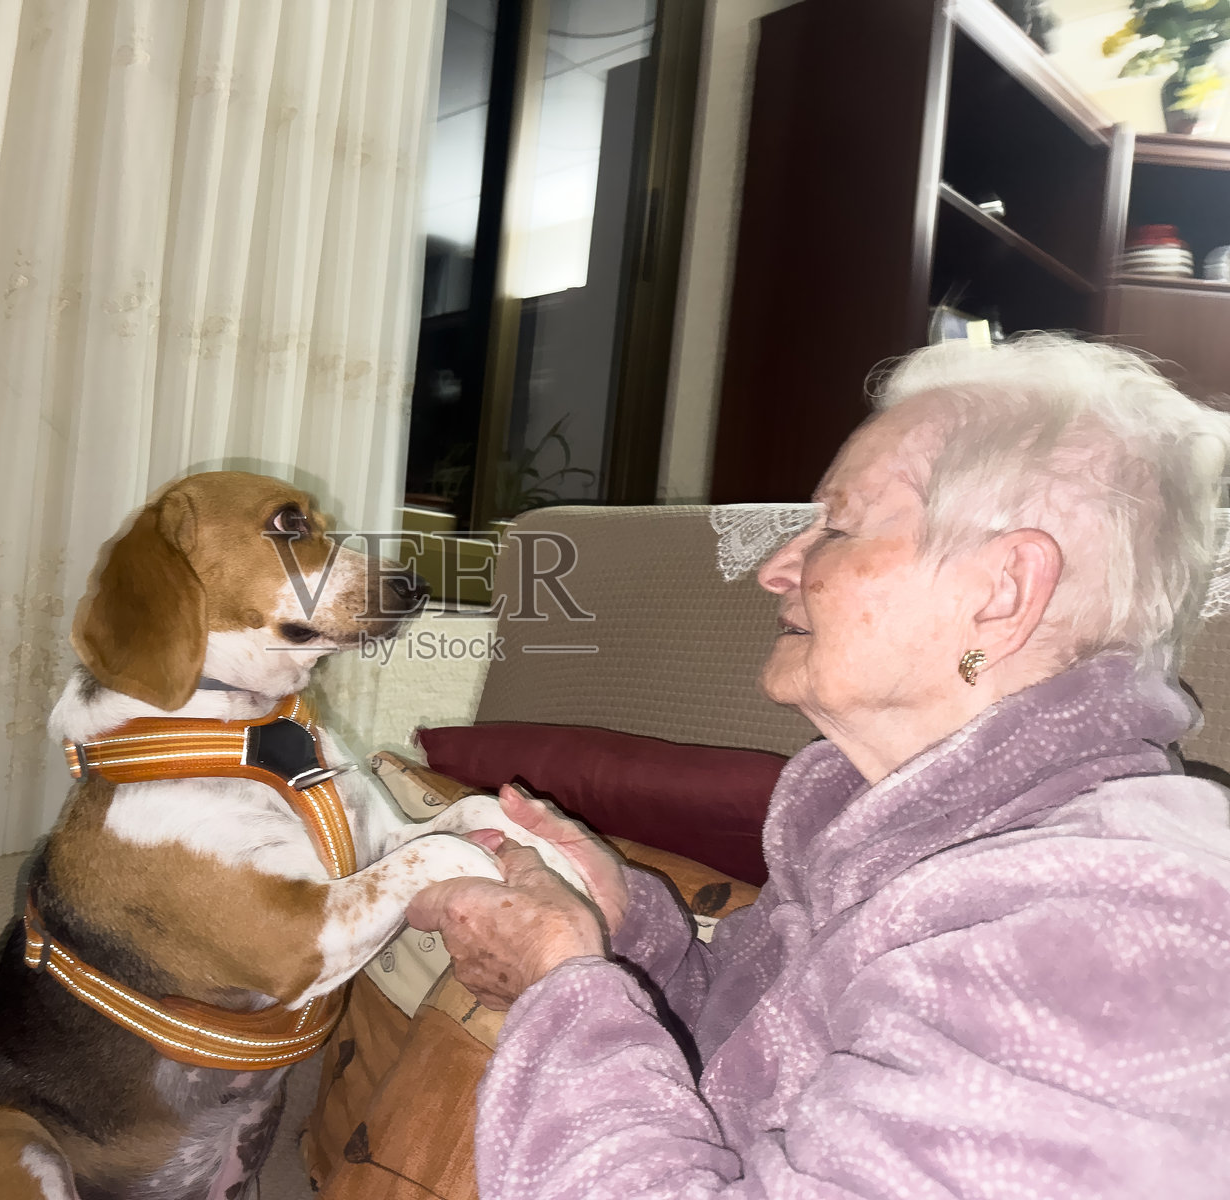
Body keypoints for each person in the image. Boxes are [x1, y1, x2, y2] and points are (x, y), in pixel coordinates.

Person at [406, 334, 1230, 1198]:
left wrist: (561, 989)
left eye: (837, 526)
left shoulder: (1112, 937)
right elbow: (752, 1073)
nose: (776, 569)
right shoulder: (886, 838)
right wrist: (621, 936)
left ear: (1002, 591)